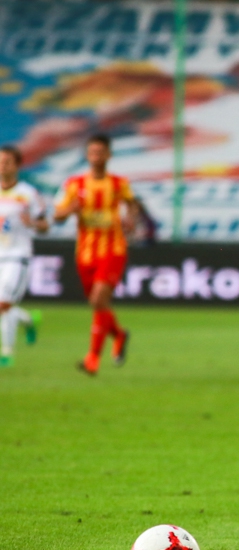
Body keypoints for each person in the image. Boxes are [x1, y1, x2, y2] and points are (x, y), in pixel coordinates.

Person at [53, 134, 137, 376]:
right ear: (87, 155)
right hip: (85, 253)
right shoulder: (74, 184)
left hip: (113, 249)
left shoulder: (119, 183)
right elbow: (57, 216)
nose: (96, 157)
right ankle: (119, 335)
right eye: (92, 153)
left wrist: (130, 219)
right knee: (98, 303)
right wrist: (70, 209)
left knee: (98, 299)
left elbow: (132, 204)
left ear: (109, 155)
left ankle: (92, 358)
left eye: (100, 152)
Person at [0, 145, 46, 367]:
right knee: (4, 305)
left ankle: (7, 353)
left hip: (17, 256)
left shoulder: (28, 193)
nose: (2, 166)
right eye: (0, 162)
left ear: (17, 165)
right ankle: (28, 319)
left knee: (3, 302)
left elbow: (45, 225)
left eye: (7, 162)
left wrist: (33, 223)